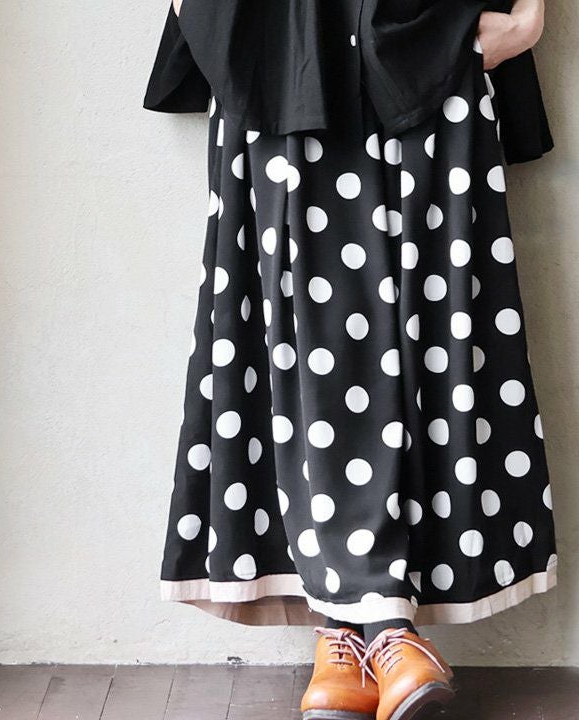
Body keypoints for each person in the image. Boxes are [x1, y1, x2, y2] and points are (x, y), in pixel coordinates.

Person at [143, 0, 557, 717]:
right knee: (298, 346)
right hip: (278, 51)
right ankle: (375, 632)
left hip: (430, 40)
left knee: (439, 337)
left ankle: (359, 637)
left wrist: (528, 15)